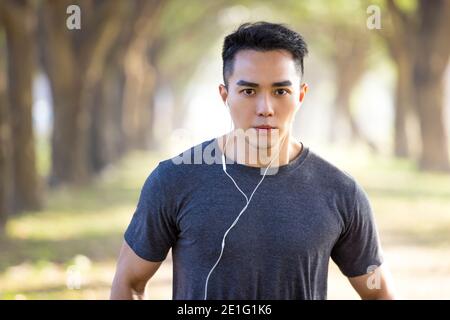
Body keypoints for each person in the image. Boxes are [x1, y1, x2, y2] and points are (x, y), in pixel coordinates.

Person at [110, 21, 396, 300]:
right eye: (248, 91)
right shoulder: (173, 180)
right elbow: (129, 283)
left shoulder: (340, 191)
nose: (265, 108)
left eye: (280, 91)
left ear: (301, 95)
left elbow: (378, 293)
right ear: (225, 95)